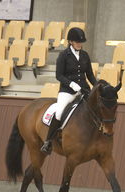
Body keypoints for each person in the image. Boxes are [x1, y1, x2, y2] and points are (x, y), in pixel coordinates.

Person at [40, 27, 97, 155]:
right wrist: (71, 84)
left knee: (95, 109)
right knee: (59, 112)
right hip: (67, 91)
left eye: (81, 42)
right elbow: (59, 75)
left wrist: (97, 86)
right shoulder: (63, 55)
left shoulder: (85, 55)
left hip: (84, 89)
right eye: (77, 42)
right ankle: (48, 142)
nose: (80, 44)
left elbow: (90, 75)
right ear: (71, 41)